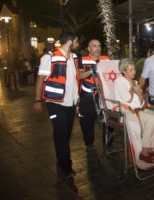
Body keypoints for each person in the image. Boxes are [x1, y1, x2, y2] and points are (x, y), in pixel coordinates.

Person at [33, 32, 79, 179]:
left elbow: (75, 78)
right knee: (61, 133)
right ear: (71, 41)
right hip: (55, 103)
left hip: (70, 103)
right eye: (77, 41)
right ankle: (66, 166)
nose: (78, 44)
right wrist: (37, 100)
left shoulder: (74, 58)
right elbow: (40, 79)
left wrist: (92, 71)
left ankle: (61, 158)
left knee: (65, 133)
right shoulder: (49, 57)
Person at [115, 58, 154, 163]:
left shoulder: (135, 82)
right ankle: (144, 153)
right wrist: (132, 88)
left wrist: (140, 94)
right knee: (151, 119)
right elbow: (127, 99)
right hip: (126, 112)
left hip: (138, 109)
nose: (134, 72)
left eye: (134, 70)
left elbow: (141, 103)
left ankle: (150, 148)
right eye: (130, 70)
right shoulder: (119, 82)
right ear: (124, 71)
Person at [78, 39, 110, 150]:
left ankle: (108, 143)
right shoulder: (83, 60)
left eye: (99, 46)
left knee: (108, 119)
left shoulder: (106, 59)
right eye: (94, 46)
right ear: (89, 48)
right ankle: (89, 143)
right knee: (87, 121)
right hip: (88, 94)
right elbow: (79, 76)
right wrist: (91, 71)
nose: (98, 48)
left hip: (104, 94)